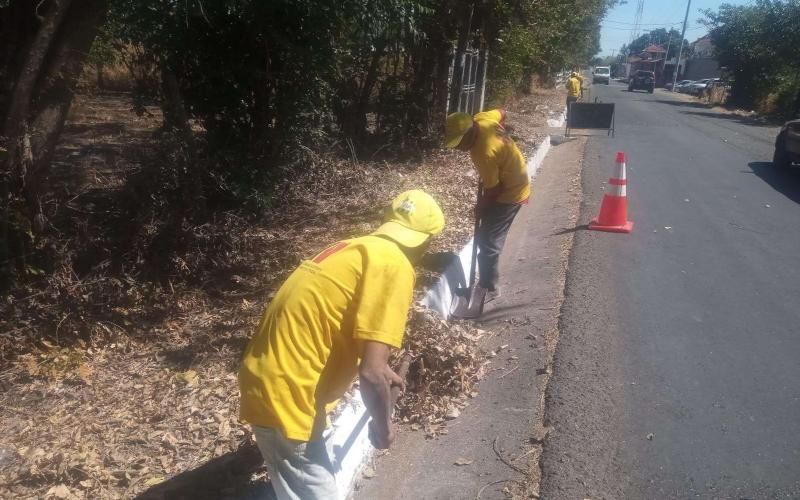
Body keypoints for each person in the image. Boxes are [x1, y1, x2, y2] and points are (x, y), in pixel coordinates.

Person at [238, 190, 444, 500]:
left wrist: (382, 366)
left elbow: (339, 319)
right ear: (427, 241)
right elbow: (371, 375)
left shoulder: (353, 248)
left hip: (269, 377)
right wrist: (384, 428)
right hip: (288, 394)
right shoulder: (396, 266)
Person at [444, 110, 530, 301]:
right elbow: (502, 111)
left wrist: (481, 207)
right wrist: (505, 135)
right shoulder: (483, 118)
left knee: (488, 241)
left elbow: (494, 190)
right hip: (512, 175)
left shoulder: (483, 152)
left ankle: (489, 287)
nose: (458, 148)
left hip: (511, 191)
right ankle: (486, 282)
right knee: (485, 235)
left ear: (470, 132)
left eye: (460, 142)